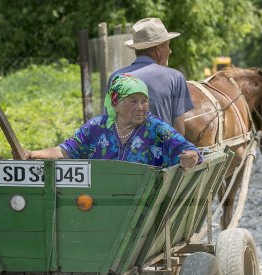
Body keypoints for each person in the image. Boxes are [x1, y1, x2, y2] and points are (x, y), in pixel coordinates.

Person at [23, 74, 200, 169]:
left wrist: (192, 157)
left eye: (144, 100)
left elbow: (190, 150)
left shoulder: (156, 128)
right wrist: (34, 154)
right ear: (116, 104)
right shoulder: (96, 127)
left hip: (143, 210)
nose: (141, 107)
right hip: (99, 204)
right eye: (133, 101)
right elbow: (65, 150)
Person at [108, 18, 193, 135]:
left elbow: (109, 123)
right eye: (168, 45)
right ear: (158, 50)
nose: (170, 51)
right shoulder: (175, 77)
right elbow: (179, 130)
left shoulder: (115, 78)